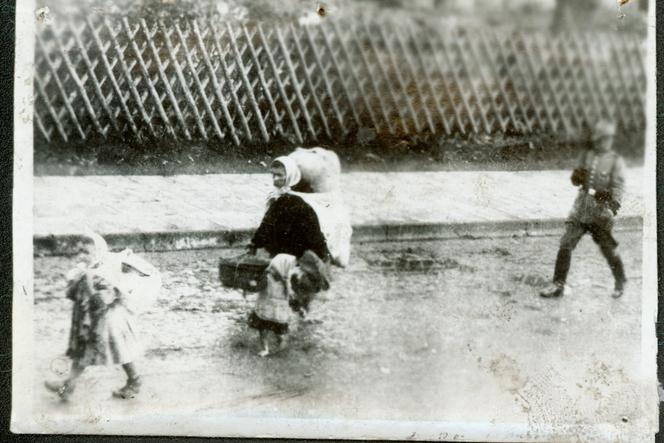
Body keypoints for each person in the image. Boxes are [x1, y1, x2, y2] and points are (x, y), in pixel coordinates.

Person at [44, 232, 160, 401]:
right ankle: (69, 385)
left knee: (117, 351)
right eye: (79, 251)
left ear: (98, 253)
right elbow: (72, 294)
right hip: (92, 320)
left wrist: (89, 282)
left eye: (87, 252)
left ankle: (134, 381)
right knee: (89, 352)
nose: (82, 256)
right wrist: (78, 281)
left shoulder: (106, 273)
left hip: (108, 321)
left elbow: (102, 301)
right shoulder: (86, 271)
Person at [540, 119, 627, 299]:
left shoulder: (615, 161)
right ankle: (558, 284)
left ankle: (620, 280)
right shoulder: (587, 156)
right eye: (602, 139)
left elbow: (618, 187)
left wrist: (613, 207)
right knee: (566, 243)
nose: (605, 142)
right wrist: (577, 175)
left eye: (608, 139)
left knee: (607, 249)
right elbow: (575, 180)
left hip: (600, 211)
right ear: (596, 139)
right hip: (581, 208)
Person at [248, 251, 330, 357]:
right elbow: (261, 286)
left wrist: (294, 301)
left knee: (274, 327)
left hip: (276, 304)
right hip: (270, 303)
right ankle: (267, 348)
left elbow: (291, 292)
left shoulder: (289, 274)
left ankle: (275, 346)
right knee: (267, 326)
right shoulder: (272, 277)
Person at [249, 156, 330, 261]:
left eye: (279, 175)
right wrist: (255, 243)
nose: (275, 179)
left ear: (290, 177)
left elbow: (312, 235)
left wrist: (255, 243)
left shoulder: (295, 201)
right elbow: (267, 225)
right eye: (273, 175)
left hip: (298, 250)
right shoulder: (277, 197)